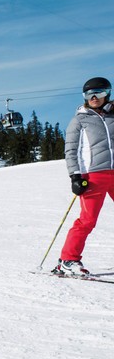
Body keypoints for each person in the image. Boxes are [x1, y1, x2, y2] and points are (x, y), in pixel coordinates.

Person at [55, 76, 114, 275]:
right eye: (89, 94)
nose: (94, 97)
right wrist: (75, 176)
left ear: (108, 93)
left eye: (99, 92)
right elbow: (71, 150)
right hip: (94, 175)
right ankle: (68, 260)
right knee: (87, 220)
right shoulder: (80, 119)